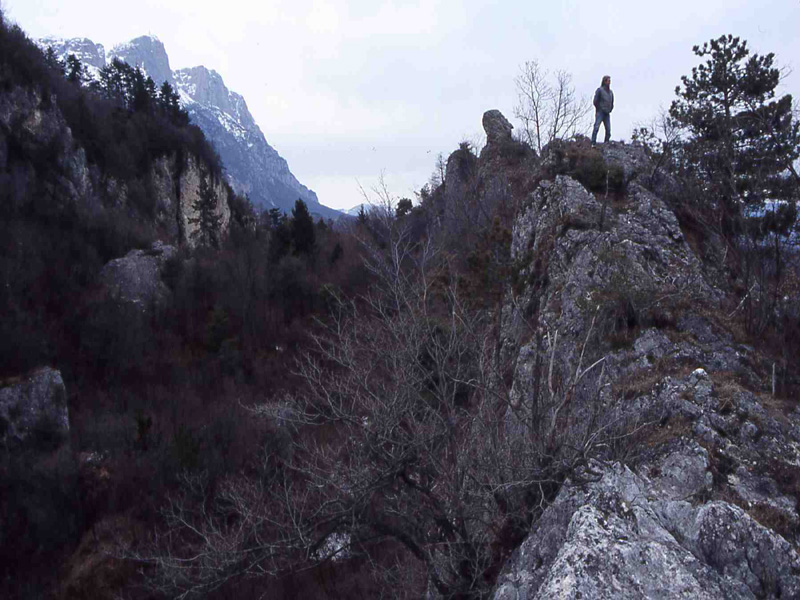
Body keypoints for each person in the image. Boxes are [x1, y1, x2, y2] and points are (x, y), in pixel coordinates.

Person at [591, 75, 614, 145]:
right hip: (600, 112)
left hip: (607, 113)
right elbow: (595, 101)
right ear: (604, 81)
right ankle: (593, 143)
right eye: (608, 81)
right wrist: (599, 108)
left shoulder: (611, 92)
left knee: (608, 130)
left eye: (610, 81)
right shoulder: (600, 90)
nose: (609, 82)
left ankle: (606, 143)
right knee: (596, 127)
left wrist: (610, 109)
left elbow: (612, 102)